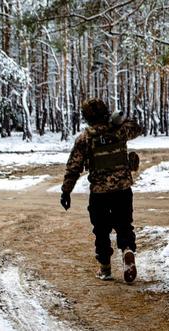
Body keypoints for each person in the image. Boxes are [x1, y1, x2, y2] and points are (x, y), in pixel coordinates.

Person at [60, 98, 142, 283]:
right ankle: (127, 250)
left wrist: (66, 191)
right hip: (123, 189)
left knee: (101, 229)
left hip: (99, 193)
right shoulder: (120, 130)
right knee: (124, 224)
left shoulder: (85, 138)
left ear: (87, 118)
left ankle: (105, 268)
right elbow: (137, 128)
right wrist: (119, 121)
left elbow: (74, 167)